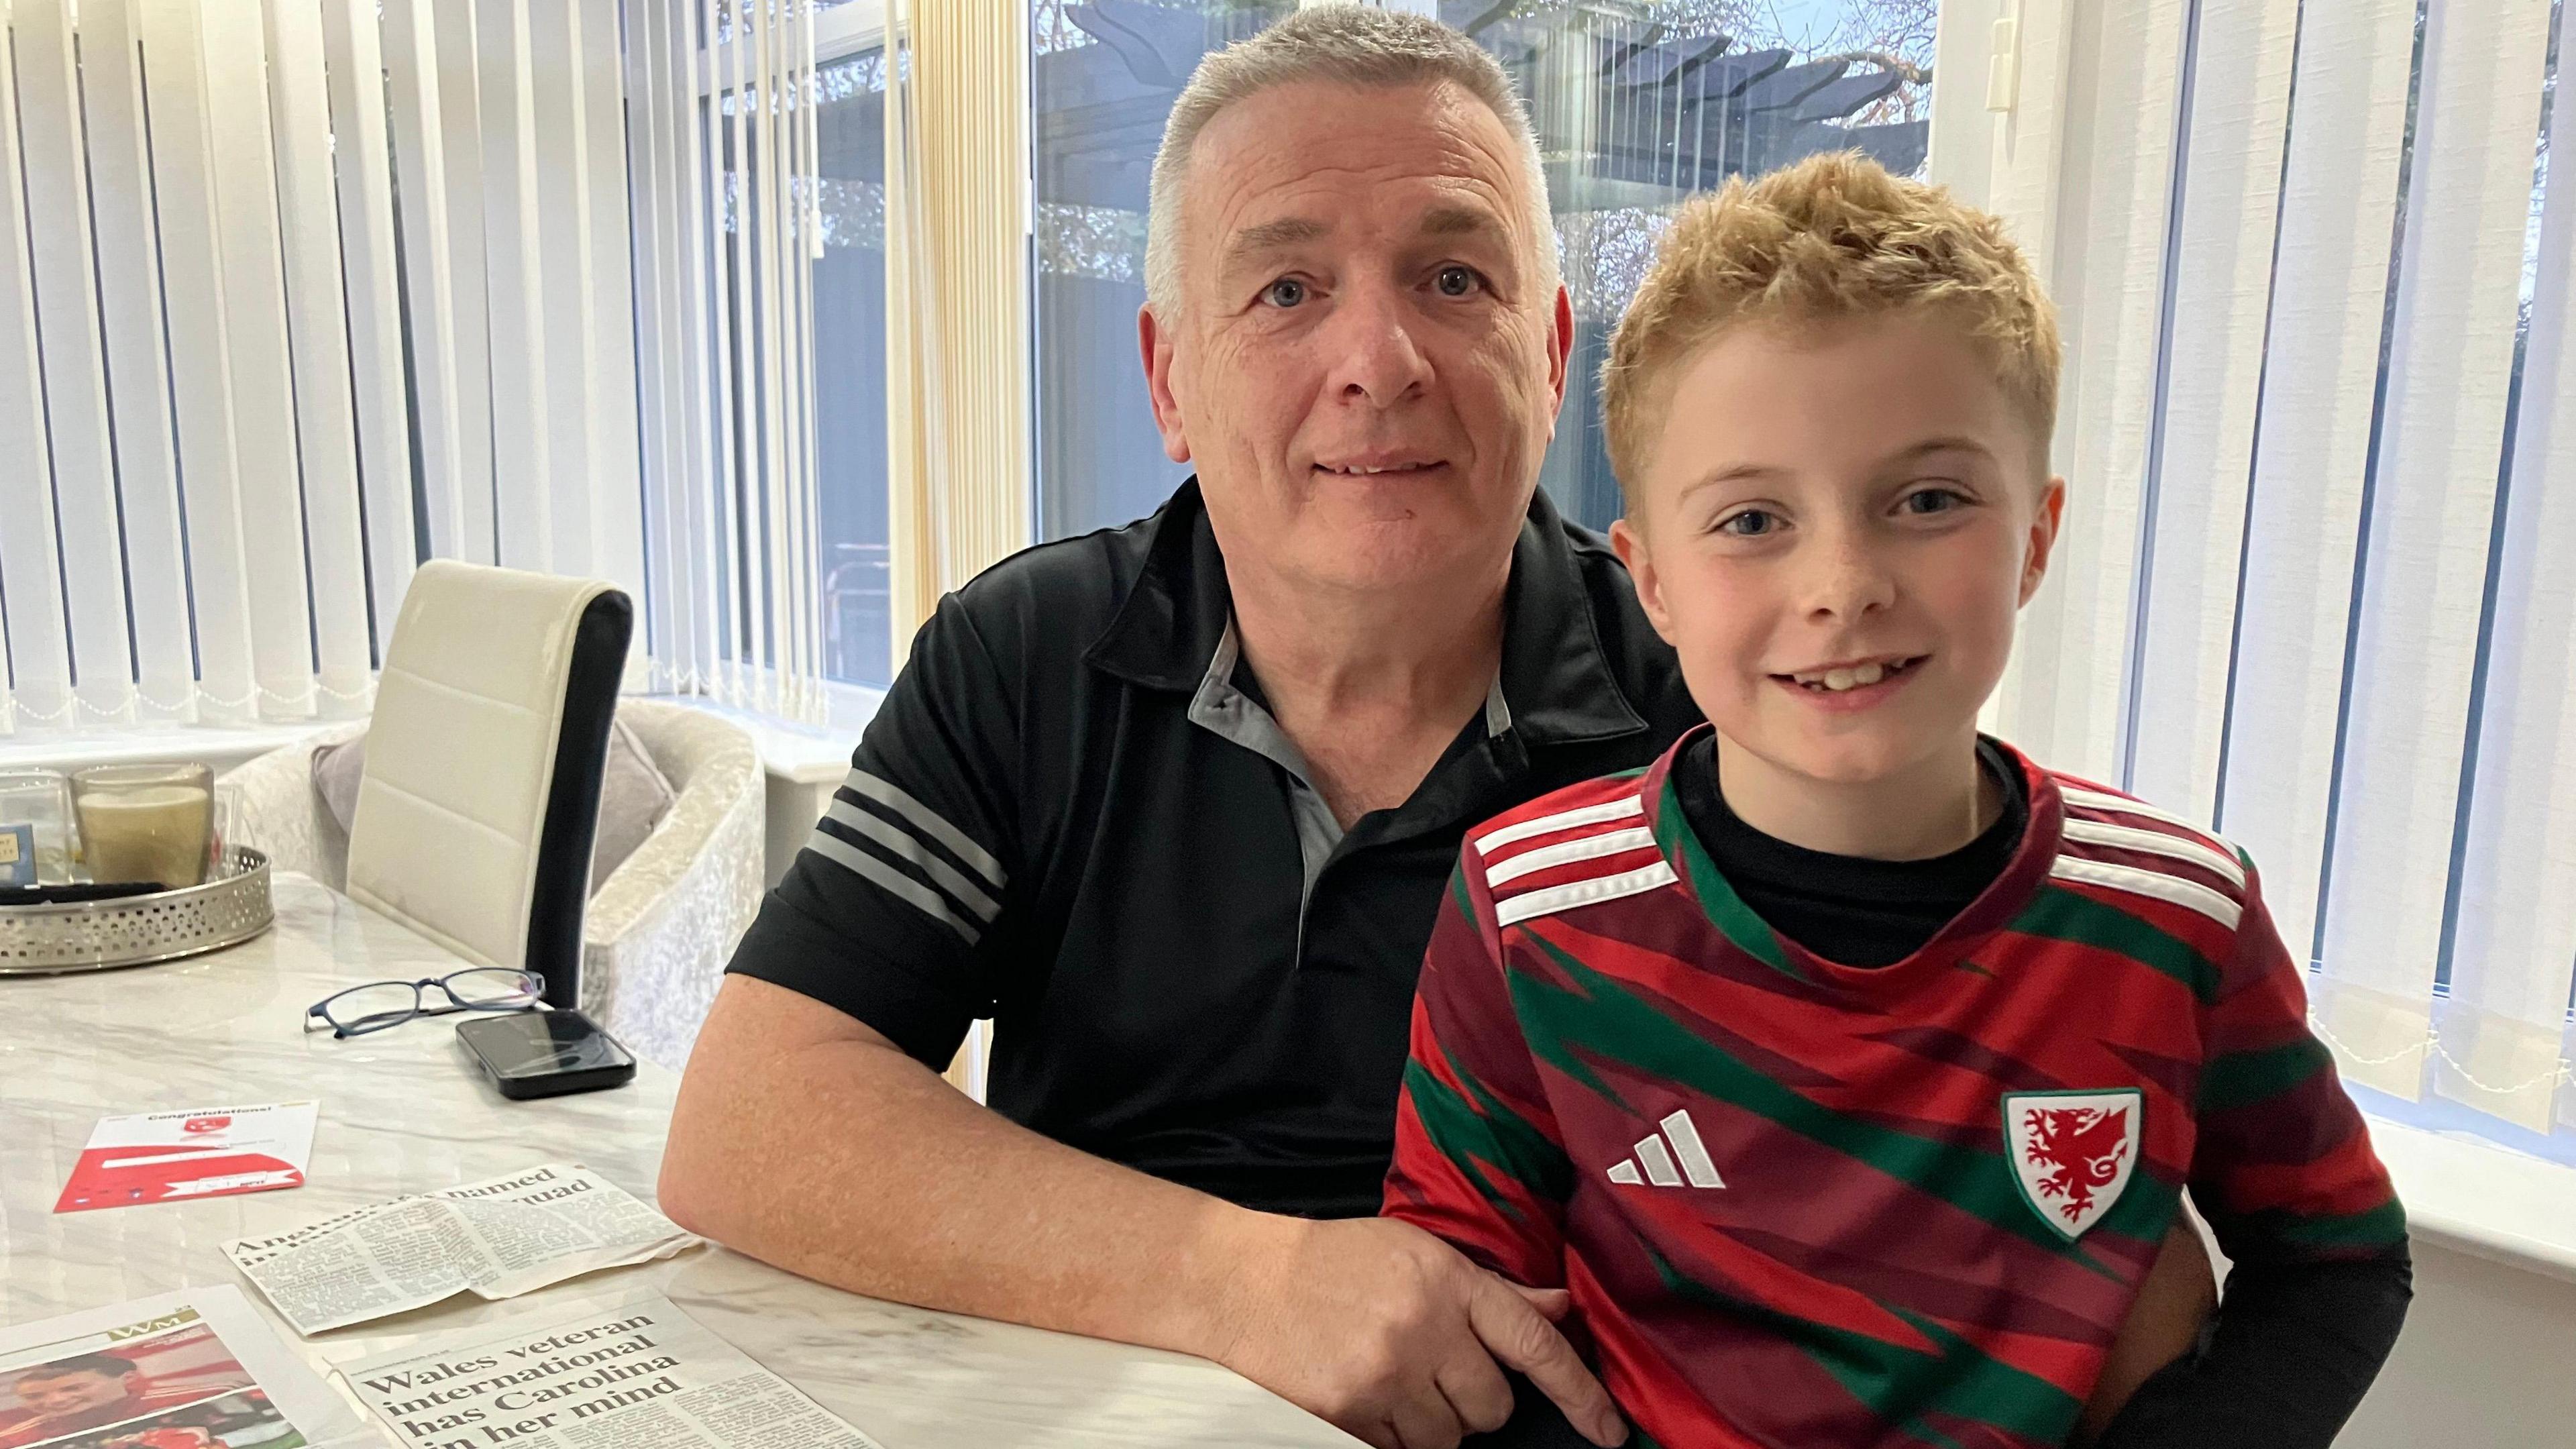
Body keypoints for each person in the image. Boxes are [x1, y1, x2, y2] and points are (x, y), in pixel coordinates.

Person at [660, 11, 2214, 1448]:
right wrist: (1249, 1279)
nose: (1379, 363)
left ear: (1548, 353)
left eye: (1452, 280)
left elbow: (2030, 1195)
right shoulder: (1025, 654)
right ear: (1169, 380)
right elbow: (750, 1119)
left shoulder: (1728, 704)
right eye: (1283, 289)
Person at [1381, 152, 2414, 1448]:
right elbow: (1464, 1317)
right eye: (1753, 520)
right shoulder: (1528, 911)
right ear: (1651, 583)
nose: (1844, 583)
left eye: (1927, 500)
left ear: (2034, 538)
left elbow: (2339, 1263)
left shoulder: (2177, 916)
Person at [0, 1355, 213, 1448]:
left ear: (128, 1379)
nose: (54, 1401)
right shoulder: (15, 1439)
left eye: (73, 1388)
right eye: (34, 1396)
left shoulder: (200, 1398)